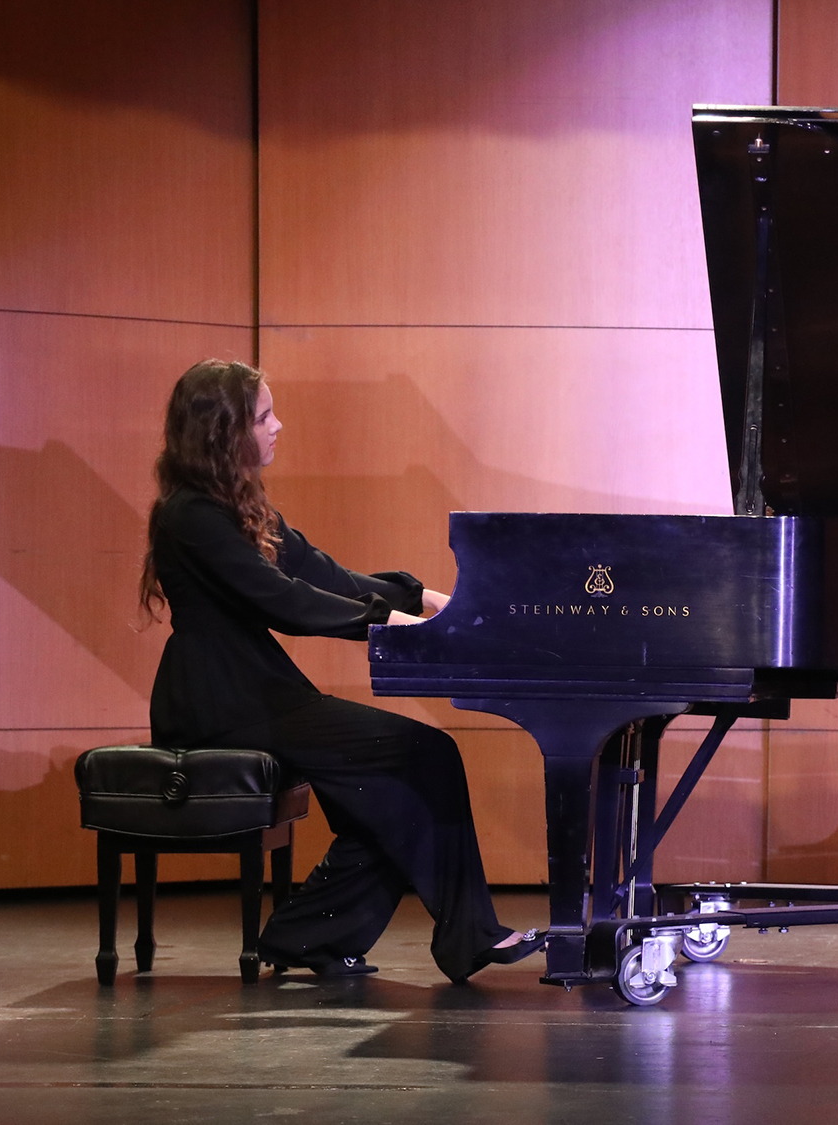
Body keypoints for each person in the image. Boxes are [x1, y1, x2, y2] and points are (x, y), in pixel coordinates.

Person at [138, 359, 540, 982]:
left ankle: (310, 938)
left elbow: (319, 573)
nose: (279, 426)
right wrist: (391, 624)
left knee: (394, 789)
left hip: (257, 691)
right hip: (217, 703)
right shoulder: (190, 516)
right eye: (264, 416)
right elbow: (284, 601)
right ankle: (467, 935)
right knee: (424, 755)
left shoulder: (235, 503)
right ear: (224, 431)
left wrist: (422, 598)